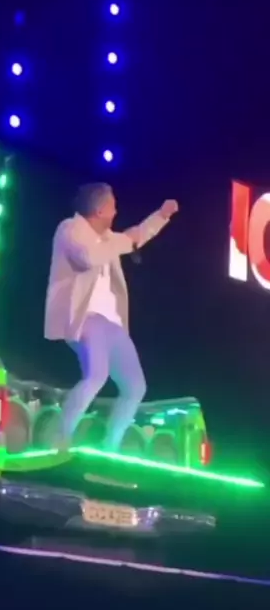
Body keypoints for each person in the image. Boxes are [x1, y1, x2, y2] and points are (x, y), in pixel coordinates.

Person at [44, 184, 179, 451]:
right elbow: (87, 257)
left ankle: (111, 446)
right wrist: (122, 242)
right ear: (99, 210)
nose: (116, 211)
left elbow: (137, 235)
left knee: (135, 386)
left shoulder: (108, 238)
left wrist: (161, 216)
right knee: (96, 376)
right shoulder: (70, 229)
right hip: (87, 317)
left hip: (113, 323)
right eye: (113, 206)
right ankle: (60, 436)